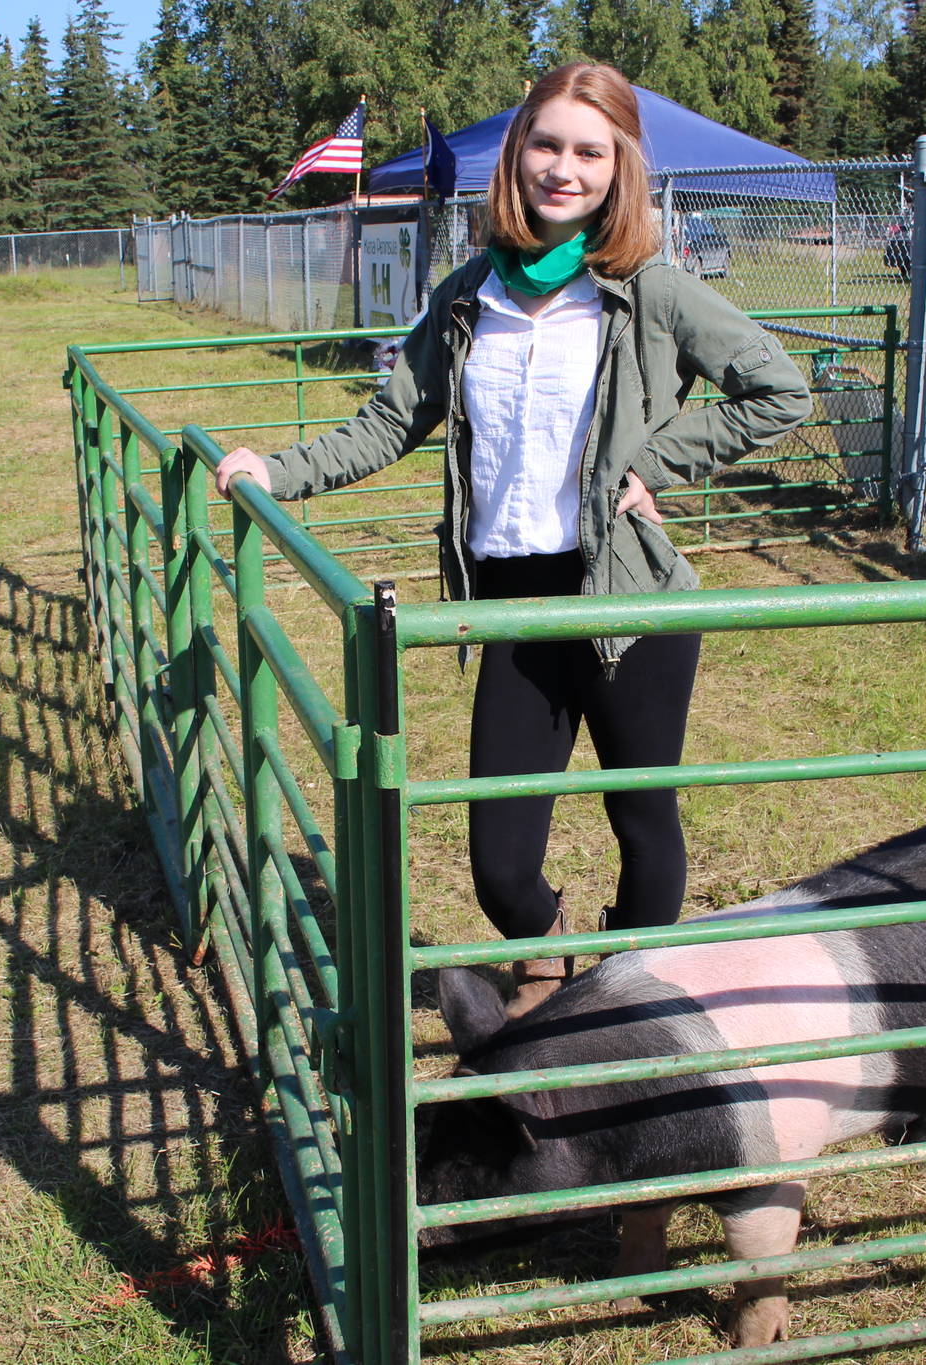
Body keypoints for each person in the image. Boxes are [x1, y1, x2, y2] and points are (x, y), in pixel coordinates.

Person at [213, 63, 811, 1016]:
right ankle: (549, 945)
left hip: (629, 599)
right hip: (514, 600)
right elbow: (387, 421)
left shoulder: (648, 290)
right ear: (515, 155)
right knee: (498, 862)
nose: (562, 169)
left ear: (619, 168)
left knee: (643, 820)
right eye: (546, 145)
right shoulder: (467, 297)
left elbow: (781, 387)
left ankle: (627, 1002)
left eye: (589, 150)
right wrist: (276, 470)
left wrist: (658, 460)